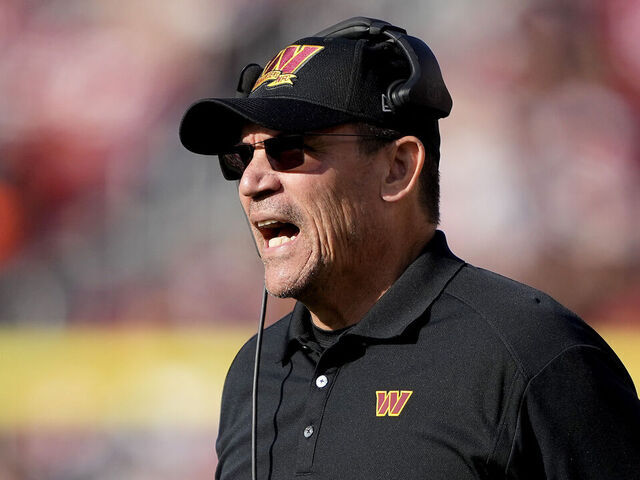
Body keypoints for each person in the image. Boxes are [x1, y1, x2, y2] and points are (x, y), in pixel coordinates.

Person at [180, 17, 640, 480]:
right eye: (242, 157)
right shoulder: (253, 373)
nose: (251, 182)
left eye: (289, 150)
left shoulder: (533, 354)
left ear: (398, 167)